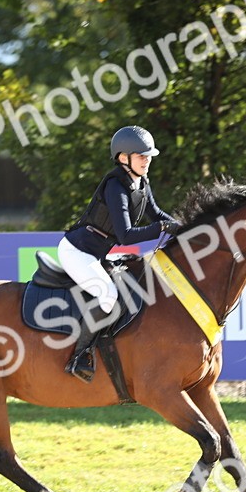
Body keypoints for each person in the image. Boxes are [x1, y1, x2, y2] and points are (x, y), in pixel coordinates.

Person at [57, 125, 180, 381]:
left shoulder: (141, 182)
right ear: (124, 158)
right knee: (108, 296)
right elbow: (125, 236)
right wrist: (161, 229)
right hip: (77, 251)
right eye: (141, 156)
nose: (147, 160)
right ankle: (79, 357)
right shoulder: (116, 187)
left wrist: (185, 227)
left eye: (149, 156)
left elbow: (156, 214)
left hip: (98, 253)